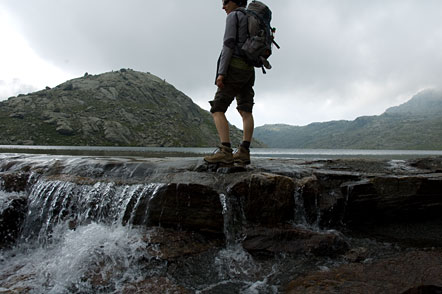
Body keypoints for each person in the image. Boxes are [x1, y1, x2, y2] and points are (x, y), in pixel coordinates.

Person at [204, 0, 255, 166]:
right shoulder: (252, 17)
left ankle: (225, 151)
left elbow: (228, 44)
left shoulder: (234, 16)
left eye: (226, 2)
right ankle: (244, 152)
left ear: (234, 2)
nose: (223, 6)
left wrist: (221, 73)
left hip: (234, 67)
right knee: (245, 109)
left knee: (217, 108)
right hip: (249, 69)